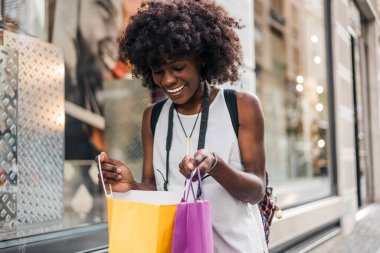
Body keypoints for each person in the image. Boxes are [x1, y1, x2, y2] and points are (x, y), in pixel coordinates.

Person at [97, 0, 268, 252]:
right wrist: (131, 186)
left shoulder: (241, 106)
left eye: (178, 67)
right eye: (158, 71)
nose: (167, 80)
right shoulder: (152, 116)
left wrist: (216, 166)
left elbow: (257, 191)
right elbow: (154, 187)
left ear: (201, 59)